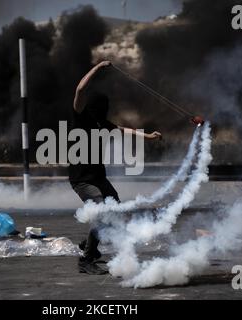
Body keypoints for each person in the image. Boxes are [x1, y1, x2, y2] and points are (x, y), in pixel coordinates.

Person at [69, 60, 162, 274]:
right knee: (103, 214)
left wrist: (147, 136)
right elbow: (80, 89)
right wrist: (97, 68)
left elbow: (124, 130)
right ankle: (86, 261)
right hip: (82, 179)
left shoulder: (103, 123)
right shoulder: (80, 118)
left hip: (99, 177)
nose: (103, 110)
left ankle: (88, 245)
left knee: (115, 213)